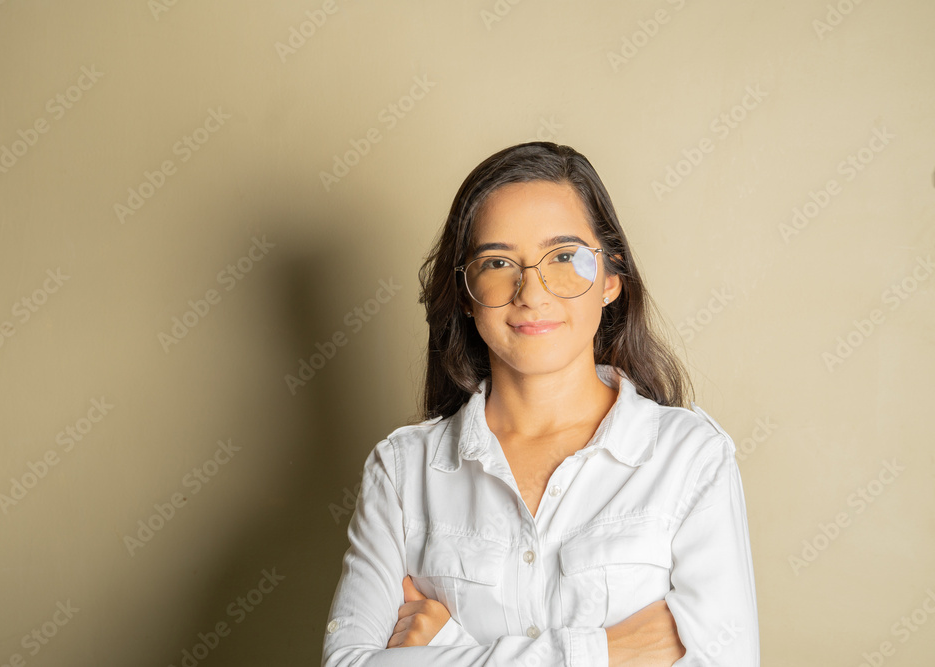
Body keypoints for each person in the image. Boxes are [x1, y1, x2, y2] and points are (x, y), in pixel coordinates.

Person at [321, 142, 759, 666]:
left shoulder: (690, 459)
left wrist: (444, 649)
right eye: (498, 261)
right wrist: (602, 652)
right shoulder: (400, 472)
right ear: (465, 292)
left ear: (611, 278)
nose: (531, 292)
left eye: (565, 257)